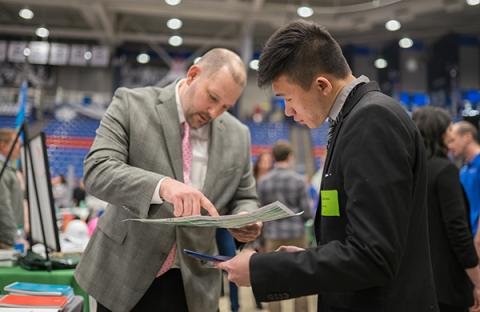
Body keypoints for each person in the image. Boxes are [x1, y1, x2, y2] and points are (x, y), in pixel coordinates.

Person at [219, 20, 438, 312]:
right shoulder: (352, 119)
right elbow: (355, 235)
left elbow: (374, 256)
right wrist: (312, 256)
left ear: (322, 85)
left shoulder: (372, 120)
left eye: (288, 98)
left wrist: (266, 268)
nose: (288, 111)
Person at [74, 48, 261, 312]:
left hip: (194, 287)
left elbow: (245, 196)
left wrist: (245, 216)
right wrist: (162, 186)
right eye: (212, 97)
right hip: (124, 276)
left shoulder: (238, 135)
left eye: (225, 107)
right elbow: (97, 170)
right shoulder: (131, 103)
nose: (214, 112)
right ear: (193, 74)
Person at [413, 107, 480, 312]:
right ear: (439, 131)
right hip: (448, 283)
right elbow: (457, 229)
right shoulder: (445, 170)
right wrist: (477, 279)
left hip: (420, 282)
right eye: (450, 128)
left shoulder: (413, 171)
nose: (452, 134)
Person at [257, 140, 312, 312]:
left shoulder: (264, 181)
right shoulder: (299, 180)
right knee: (300, 277)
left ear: (274, 157)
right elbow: (307, 212)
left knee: (273, 278)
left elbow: (261, 211)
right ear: (290, 157)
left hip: (272, 235)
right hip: (296, 233)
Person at [447, 121, 480, 248]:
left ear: (467, 137)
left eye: (453, 140)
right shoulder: (463, 171)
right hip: (469, 238)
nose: (449, 146)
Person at [0, 129, 23, 250]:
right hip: (4, 240)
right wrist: (14, 238)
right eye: (16, 144)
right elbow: (3, 205)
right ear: (2, 145)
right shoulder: (1, 169)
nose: (19, 148)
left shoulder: (7, 168)